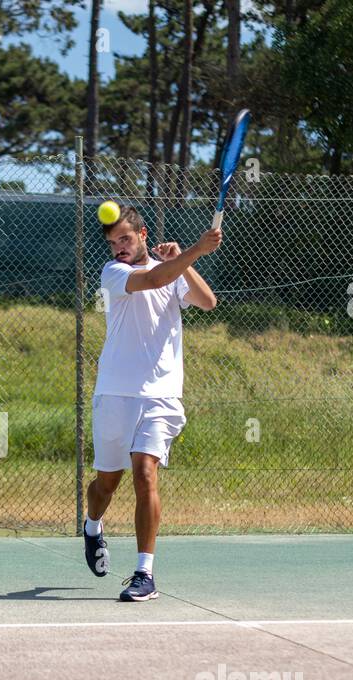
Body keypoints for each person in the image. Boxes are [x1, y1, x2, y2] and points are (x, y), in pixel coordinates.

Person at [84, 206, 221, 601]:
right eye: (112, 243)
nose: (118, 249)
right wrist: (194, 251)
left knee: (145, 472)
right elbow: (156, 277)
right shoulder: (115, 274)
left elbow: (208, 301)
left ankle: (145, 573)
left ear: (142, 234)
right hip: (114, 394)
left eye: (125, 239)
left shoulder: (170, 268)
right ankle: (93, 526)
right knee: (106, 484)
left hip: (161, 396)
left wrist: (185, 259)